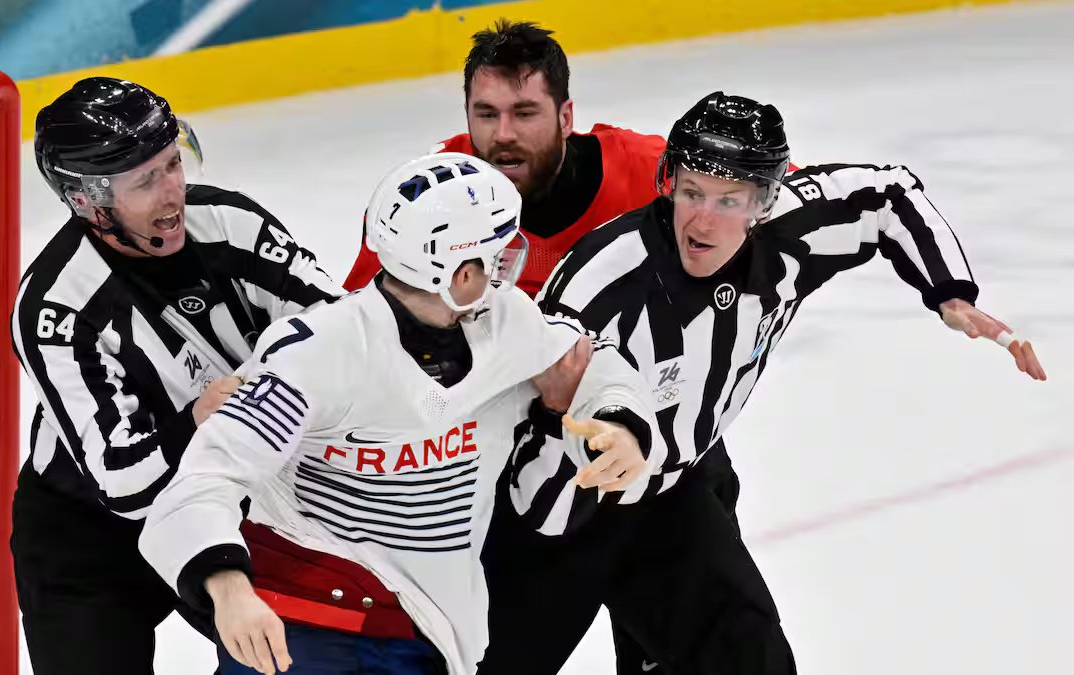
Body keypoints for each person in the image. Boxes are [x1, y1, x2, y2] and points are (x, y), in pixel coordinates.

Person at [477, 91, 1047, 675]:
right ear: (668, 181)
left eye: (730, 200)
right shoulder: (603, 281)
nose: (703, 218)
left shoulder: (789, 235)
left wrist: (949, 289)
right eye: (693, 192)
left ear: (765, 202)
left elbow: (886, 194)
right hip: (552, 519)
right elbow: (535, 451)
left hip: (668, 501)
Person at [138, 152, 662, 675]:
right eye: (497, 253)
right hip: (303, 622)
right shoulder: (319, 354)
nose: (508, 266)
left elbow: (588, 360)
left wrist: (619, 420)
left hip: (427, 628)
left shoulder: (504, 323)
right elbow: (204, 479)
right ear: (459, 275)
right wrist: (228, 589)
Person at [10, 77, 344, 675]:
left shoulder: (231, 224)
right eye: (144, 181)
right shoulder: (56, 306)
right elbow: (123, 481)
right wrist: (198, 419)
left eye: (172, 164)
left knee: (298, 658)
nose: (173, 193)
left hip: (224, 500)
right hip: (87, 537)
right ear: (89, 202)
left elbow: (347, 332)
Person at [343, 20, 667, 296]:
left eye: (524, 113)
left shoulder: (649, 173)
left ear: (565, 118)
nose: (504, 134)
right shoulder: (422, 200)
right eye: (487, 114)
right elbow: (365, 326)